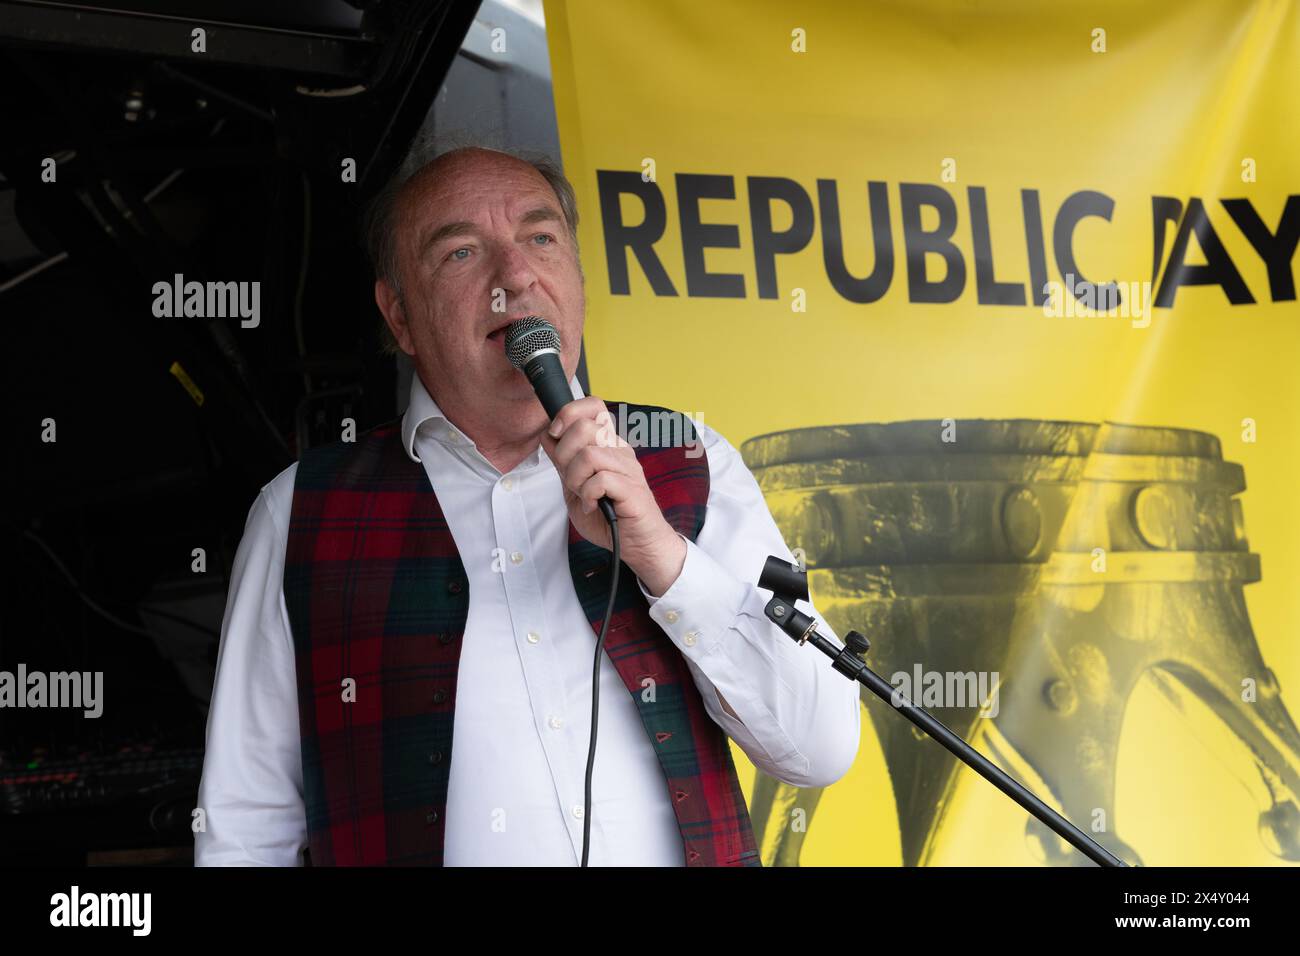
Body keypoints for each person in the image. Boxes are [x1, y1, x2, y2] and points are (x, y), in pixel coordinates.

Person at [194, 143, 859, 867]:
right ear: (400, 315)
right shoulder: (300, 512)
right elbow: (244, 830)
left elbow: (820, 748)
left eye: (541, 239)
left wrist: (664, 560)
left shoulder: (686, 456)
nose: (516, 276)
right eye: (460, 253)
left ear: (577, 275)